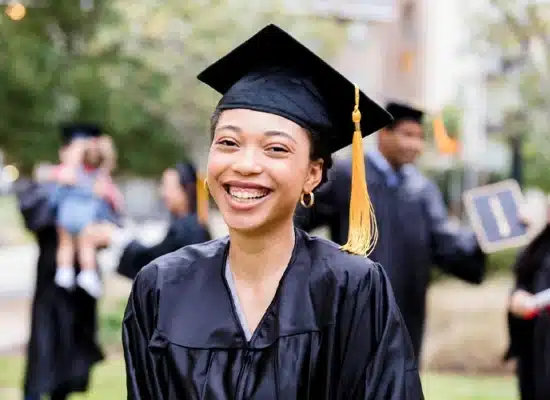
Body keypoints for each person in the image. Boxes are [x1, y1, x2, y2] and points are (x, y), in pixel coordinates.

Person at [122, 24, 424, 399]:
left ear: (312, 174)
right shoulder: (161, 287)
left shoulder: (352, 288)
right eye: (229, 142)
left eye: (275, 149)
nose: (246, 164)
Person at [295, 101, 486, 360]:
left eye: (420, 138)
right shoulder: (346, 175)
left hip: (406, 313)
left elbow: (447, 246)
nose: (415, 145)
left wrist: (486, 236)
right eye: (407, 135)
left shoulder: (422, 190)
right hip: (353, 307)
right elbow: (297, 221)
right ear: (384, 133)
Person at [14, 123, 104, 400]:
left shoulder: (96, 182)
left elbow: (109, 220)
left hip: (82, 280)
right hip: (52, 277)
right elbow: (35, 217)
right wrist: (58, 187)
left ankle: (63, 392)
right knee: (45, 345)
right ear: (63, 151)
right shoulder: (50, 182)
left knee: (73, 348)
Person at [87, 161, 213, 280]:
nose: (162, 193)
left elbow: (152, 263)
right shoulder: (189, 225)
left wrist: (116, 236)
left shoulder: (188, 230)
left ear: (186, 190)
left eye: (167, 187)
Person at [51, 131, 123, 297]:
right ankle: (84, 273)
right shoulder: (94, 177)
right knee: (84, 245)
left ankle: (65, 272)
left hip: (66, 217)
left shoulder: (71, 173)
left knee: (68, 245)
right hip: (85, 220)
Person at [505, 191, 550, 400]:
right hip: (535, 343)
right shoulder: (542, 242)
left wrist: (536, 302)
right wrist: (518, 297)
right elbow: (523, 275)